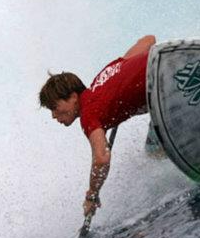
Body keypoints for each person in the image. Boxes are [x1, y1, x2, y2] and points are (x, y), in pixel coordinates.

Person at [39, 34, 157, 222]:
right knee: (153, 149)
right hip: (167, 63)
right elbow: (149, 41)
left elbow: (101, 159)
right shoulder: (104, 76)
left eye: (55, 107)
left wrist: (91, 195)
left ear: (73, 97)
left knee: (156, 157)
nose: (54, 115)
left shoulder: (89, 114)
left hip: (166, 84)